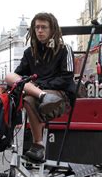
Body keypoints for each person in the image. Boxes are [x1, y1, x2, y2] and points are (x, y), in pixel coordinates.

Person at [6, 13, 76, 162]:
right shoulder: (30, 52)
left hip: (61, 96)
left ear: (52, 30)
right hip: (39, 93)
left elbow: (67, 78)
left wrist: (39, 86)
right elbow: (17, 76)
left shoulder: (65, 49)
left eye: (44, 27)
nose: (39, 31)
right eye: (37, 27)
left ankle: (38, 146)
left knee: (29, 98)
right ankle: (42, 96)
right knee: (9, 77)